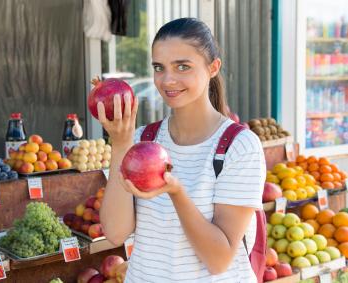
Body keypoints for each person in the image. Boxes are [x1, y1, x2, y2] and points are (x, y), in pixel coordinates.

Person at [99, 18, 266, 282]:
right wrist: (121, 145)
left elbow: (219, 260)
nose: (168, 80)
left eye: (183, 66)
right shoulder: (144, 139)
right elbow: (115, 233)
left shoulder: (239, 146)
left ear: (213, 68)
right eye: (159, 67)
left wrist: (176, 192)